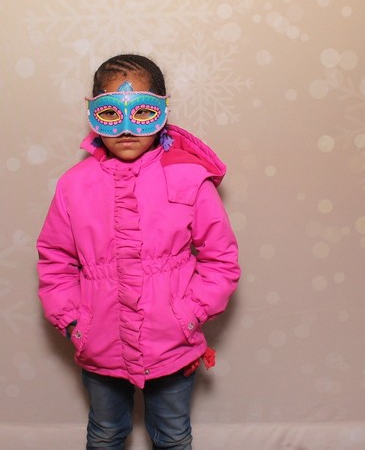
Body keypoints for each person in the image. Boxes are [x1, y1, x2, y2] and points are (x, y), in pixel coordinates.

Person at [37, 53, 240, 450]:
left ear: (162, 110)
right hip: (100, 346)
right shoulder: (73, 185)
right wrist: (74, 322)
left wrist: (190, 314)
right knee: (105, 434)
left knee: (173, 437)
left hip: (173, 346)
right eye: (111, 113)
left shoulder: (189, 178)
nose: (127, 128)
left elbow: (221, 259)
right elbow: (55, 260)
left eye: (142, 112)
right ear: (92, 112)